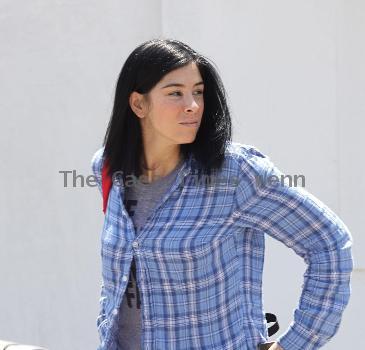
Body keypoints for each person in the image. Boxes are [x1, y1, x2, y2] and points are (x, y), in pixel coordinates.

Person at [91, 38, 353, 350]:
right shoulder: (109, 168)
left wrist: (294, 344)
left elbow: (329, 243)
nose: (193, 105)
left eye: (198, 92)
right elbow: (121, 275)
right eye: (176, 93)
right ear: (138, 104)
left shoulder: (236, 173)